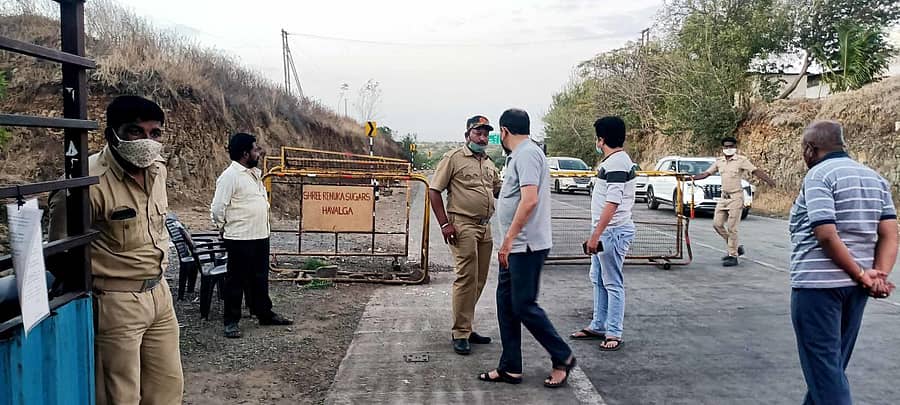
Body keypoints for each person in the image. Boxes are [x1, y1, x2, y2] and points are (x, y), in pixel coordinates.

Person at [48, 95, 184, 404]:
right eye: (136, 131)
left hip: (160, 294)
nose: (147, 141)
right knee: (119, 396)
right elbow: (59, 251)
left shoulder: (157, 169)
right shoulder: (86, 182)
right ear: (112, 134)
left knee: (168, 389)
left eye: (155, 133)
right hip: (117, 302)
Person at [789, 120, 897, 404]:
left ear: (810, 149)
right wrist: (878, 276)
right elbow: (889, 235)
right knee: (830, 371)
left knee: (825, 372)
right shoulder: (875, 178)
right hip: (855, 290)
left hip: (817, 287)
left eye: (804, 148)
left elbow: (825, 234)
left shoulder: (819, 175)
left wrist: (863, 274)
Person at [477, 108, 575, 388]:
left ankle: (562, 356)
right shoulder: (519, 155)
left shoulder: (529, 154)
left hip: (526, 246)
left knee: (523, 305)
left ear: (505, 131)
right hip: (517, 246)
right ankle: (510, 367)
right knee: (506, 305)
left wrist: (508, 240)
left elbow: (529, 199)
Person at [429, 115, 502, 355]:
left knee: (479, 279)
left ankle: (467, 327)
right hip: (462, 225)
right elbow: (434, 191)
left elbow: (499, 190)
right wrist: (444, 224)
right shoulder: (454, 158)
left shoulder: (490, 163)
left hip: (485, 226)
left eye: (485, 134)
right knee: (465, 278)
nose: (482, 137)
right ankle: (460, 332)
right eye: (478, 132)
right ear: (467, 135)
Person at [210, 132, 292, 339]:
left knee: (260, 278)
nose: (259, 152)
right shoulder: (230, 176)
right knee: (236, 280)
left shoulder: (253, 174)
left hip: (260, 235)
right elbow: (218, 207)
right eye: (256, 149)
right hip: (239, 238)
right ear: (245, 153)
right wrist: (223, 227)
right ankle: (231, 321)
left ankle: (264, 313)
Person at [570, 116, 637, 351]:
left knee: (612, 282)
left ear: (601, 139)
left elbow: (613, 202)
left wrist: (596, 235)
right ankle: (599, 324)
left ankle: (613, 332)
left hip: (612, 231)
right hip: (605, 231)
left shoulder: (617, 163)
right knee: (598, 279)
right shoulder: (614, 161)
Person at [692, 137, 775, 266]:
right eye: (726, 146)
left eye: (731, 146)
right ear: (722, 148)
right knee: (717, 224)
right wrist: (691, 178)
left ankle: (733, 255)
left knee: (732, 227)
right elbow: (706, 174)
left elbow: (755, 170)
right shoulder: (719, 161)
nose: (728, 149)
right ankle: (735, 247)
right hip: (723, 198)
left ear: (735, 147)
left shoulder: (741, 160)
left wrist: (768, 180)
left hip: (736, 197)